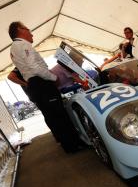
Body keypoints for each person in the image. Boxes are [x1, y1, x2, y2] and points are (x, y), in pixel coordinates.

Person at [8, 21, 84, 153]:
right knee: (59, 115)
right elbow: (35, 67)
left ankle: (68, 145)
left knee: (52, 116)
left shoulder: (14, 48)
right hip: (41, 83)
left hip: (35, 85)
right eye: (28, 29)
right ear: (20, 30)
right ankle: (74, 144)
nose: (31, 33)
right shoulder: (23, 44)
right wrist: (53, 78)